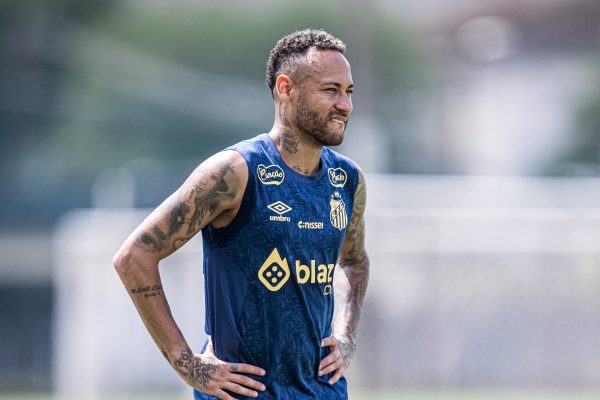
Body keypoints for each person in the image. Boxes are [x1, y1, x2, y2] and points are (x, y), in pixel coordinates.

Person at [113, 29, 369, 400]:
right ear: (285, 89)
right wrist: (188, 364)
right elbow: (134, 257)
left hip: (322, 392)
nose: (344, 104)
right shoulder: (234, 172)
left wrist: (346, 335)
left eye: (349, 92)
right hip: (243, 393)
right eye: (330, 90)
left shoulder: (347, 180)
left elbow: (356, 263)